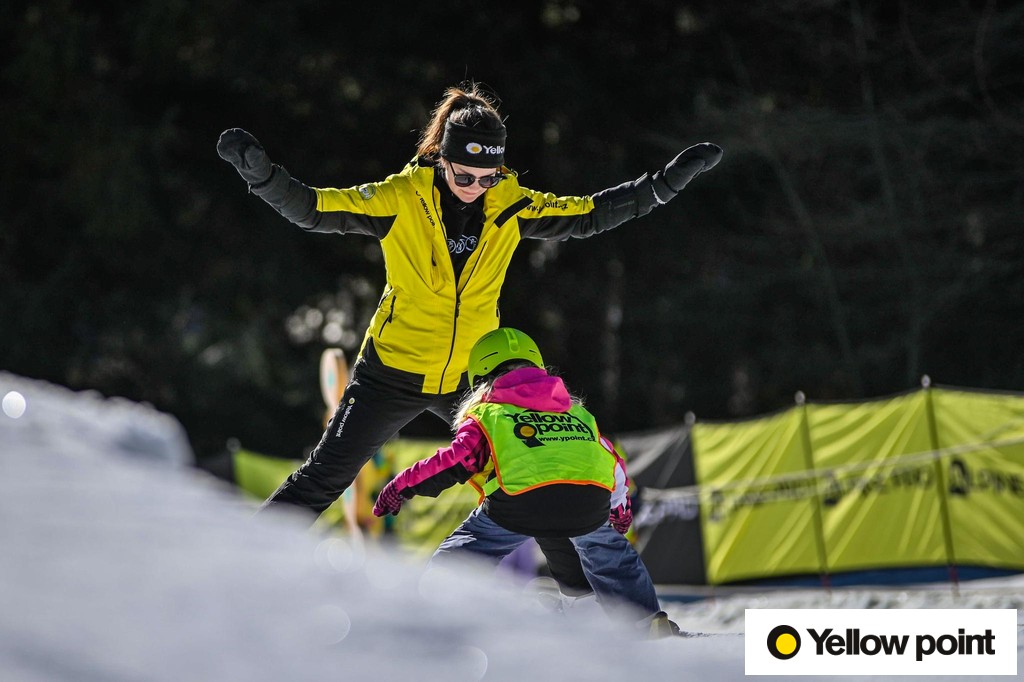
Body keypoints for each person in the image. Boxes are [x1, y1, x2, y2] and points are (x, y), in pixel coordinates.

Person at [216, 81, 722, 591]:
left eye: (488, 176)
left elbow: (589, 214)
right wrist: (262, 176)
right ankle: (238, 569)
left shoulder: (510, 204)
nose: (475, 186)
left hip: (471, 380)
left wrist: (663, 185)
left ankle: (581, 601)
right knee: (325, 474)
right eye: (464, 174)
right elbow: (312, 208)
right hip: (391, 371)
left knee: (533, 468)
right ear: (441, 158)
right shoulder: (400, 198)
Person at [372, 327, 678, 637]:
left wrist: (401, 486)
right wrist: (619, 511)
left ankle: (434, 609)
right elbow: (613, 463)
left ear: (480, 376)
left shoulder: (489, 414)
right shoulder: (577, 413)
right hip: (588, 502)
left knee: (465, 551)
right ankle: (644, 621)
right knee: (610, 554)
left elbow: (455, 460)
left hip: (518, 503)